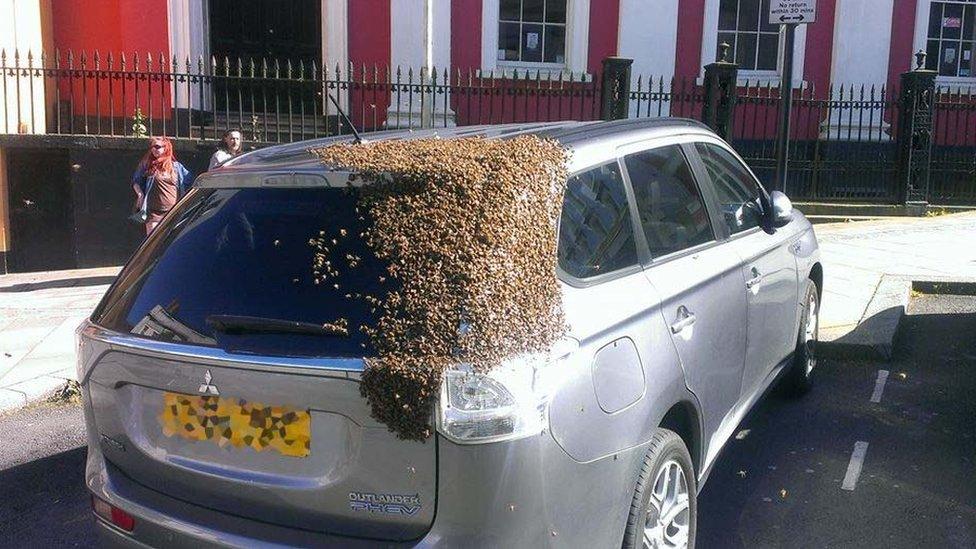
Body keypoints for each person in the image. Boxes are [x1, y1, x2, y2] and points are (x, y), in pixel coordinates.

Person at [131, 137, 192, 236]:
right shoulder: (147, 165)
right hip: (153, 213)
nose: (153, 149)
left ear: (166, 148)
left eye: (157, 147)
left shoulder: (177, 167)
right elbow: (136, 180)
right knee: (152, 243)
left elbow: (190, 181)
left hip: (173, 212)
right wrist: (140, 194)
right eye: (152, 147)